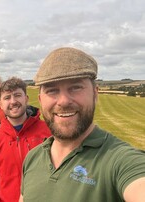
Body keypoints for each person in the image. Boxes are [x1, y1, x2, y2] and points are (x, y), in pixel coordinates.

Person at [20, 47, 145, 202]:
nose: (64, 101)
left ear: (95, 94)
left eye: (76, 87)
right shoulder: (33, 158)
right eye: (52, 90)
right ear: (40, 100)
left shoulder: (120, 160)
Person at [0, 77, 51, 202]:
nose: (13, 101)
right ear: (0, 104)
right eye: (7, 97)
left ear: (26, 99)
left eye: (17, 95)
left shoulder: (48, 132)